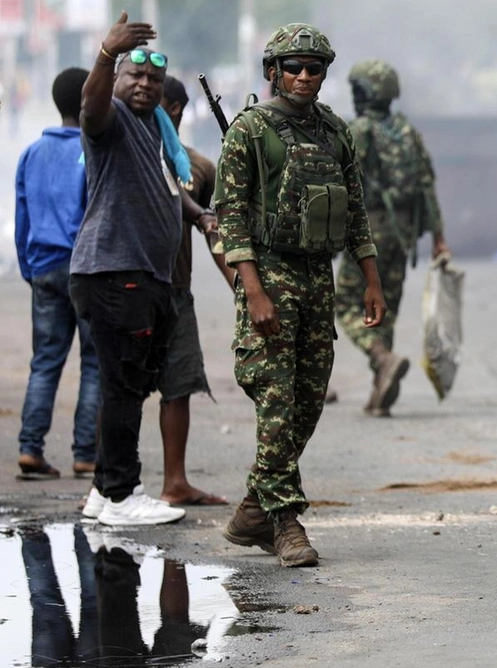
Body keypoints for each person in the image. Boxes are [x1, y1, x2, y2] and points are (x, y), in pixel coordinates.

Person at [215, 23, 386, 567]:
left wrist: (371, 279)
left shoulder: (335, 131)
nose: (305, 77)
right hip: (269, 274)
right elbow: (231, 217)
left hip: (318, 279)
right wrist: (254, 291)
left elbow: (355, 209)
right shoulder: (250, 131)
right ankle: (285, 521)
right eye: (294, 67)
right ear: (273, 72)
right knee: (276, 400)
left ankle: (251, 511)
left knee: (308, 403)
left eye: (315, 68)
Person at [72, 12, 216, 526]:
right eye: (136, 76)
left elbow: (169, 191)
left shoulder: (154, 130)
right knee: (125, 386)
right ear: (119, 80)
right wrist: (107, 53)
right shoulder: (108, 118)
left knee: (126, 382)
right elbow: (88, 108)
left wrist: (200, 217)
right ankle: (120, 494)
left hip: (140, 276)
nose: (146, 85)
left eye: (154, 79)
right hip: (117, 271)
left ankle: (99, 492)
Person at [336, 58, 448, 416]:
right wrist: (438, 239)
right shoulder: (407, 131)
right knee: (383, 309)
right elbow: (428, 186)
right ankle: (380, 389)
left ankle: (381, 359)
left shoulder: (359, 131)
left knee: (346, 304)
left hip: (368, 232)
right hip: (404, 235)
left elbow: (345, 184)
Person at [15, 67, 98, 482]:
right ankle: (85, 453)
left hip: (43, 267)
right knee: (94, 363)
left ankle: (31, 448)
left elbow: (22, 218)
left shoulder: (32, 152)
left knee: (45, 363)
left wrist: (30, 269)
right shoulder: (90, 148)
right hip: (83, 268)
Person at [153, 74, 232, 507]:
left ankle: (175, 482)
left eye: (155, 96)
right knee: (117, 386)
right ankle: (105, 485)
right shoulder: (127, 154)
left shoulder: (199, 168)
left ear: (177, 109)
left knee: (179, 384)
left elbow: (215, 234)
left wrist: (244, 289)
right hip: (129, 289)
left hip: (175, 291)